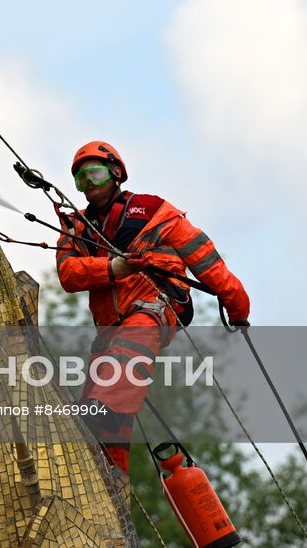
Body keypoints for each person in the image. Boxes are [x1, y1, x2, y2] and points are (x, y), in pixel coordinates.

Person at [51, 140, 250, 475]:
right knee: (95, 416)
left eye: (95, 175)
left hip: (156, 306)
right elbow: (69, 275)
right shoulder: (76, 228)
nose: (88, 186)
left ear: (116, 174)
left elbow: (208, 263)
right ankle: (110, 489)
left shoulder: (156, 212)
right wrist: (114, 268)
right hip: (110, 332)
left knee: (128, 352)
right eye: (80, 181)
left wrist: (238, 309)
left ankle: (103, 410)